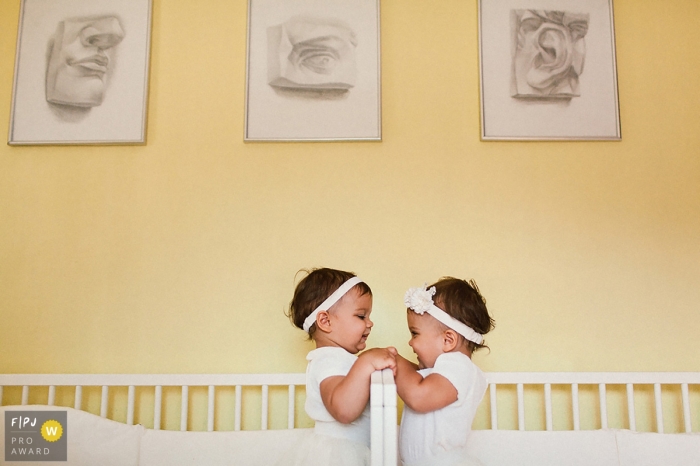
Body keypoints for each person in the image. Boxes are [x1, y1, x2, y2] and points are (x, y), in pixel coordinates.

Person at [282, 267, 397, 466]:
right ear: (325, 321)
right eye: (361, 316)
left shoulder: (340, 359)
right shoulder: (329, 359)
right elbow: (343, 410)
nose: (370, 323)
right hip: (339, 455)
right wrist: (367, 361)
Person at [395, 277, 495, 466]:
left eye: (415, 333)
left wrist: (393, 359)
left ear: (448, 340)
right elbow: (417, 376)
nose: (410, 342)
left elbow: (419, 397)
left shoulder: (458, 366)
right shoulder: (442, 371)